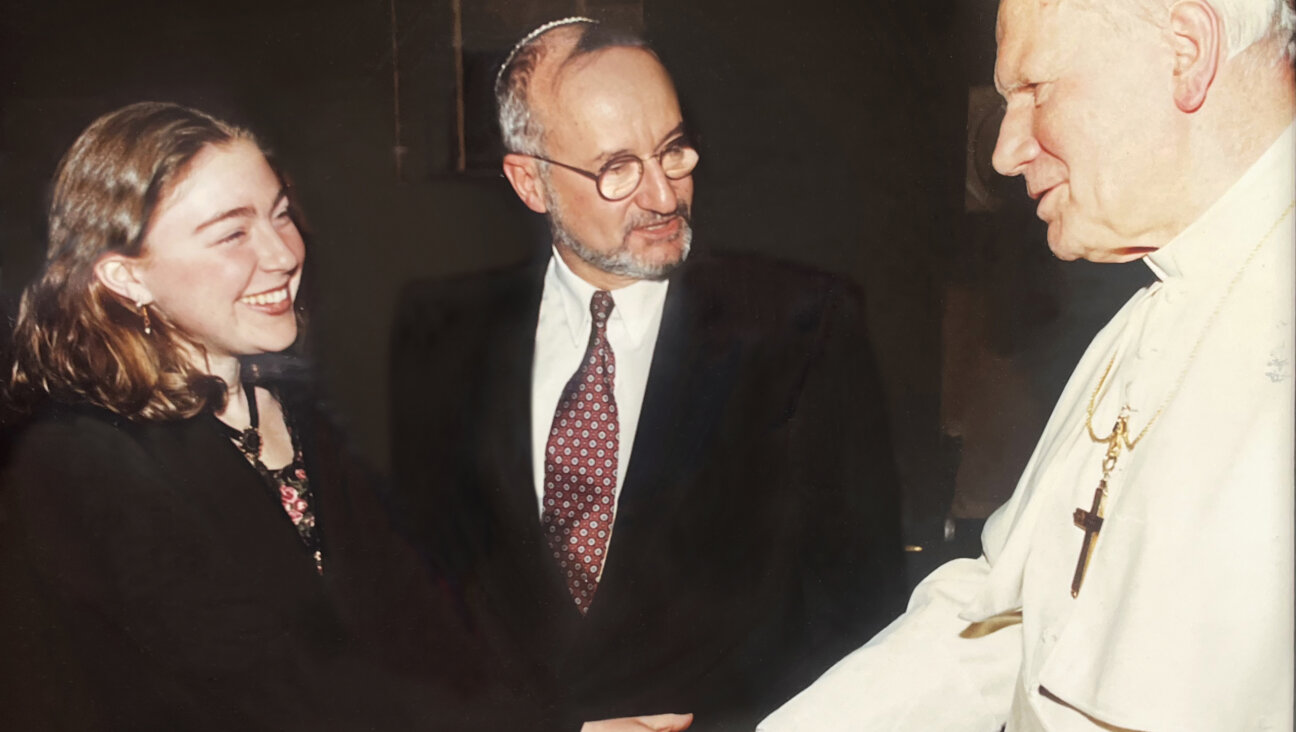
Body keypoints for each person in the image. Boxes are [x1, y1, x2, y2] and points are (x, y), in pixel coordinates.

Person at [759, 0, 1295, 730]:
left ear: (1186, 50)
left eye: (1035, 89)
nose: (1004, 152)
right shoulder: (1145, 319)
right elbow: (1001, 623)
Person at [389, 17, 906, 732]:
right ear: (529, 180)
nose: (664, 197)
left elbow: (862, 618)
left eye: (674, 151)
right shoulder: (439, 336)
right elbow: (420, 615)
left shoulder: (805, 328)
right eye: (617, 169)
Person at [0, 102, 471, 731]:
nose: (283, 254)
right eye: (232, 232)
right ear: (126, 279)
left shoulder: (291, 404)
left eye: (280, 214)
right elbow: (273, 691)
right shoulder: (79, 459)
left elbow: (411, 620)